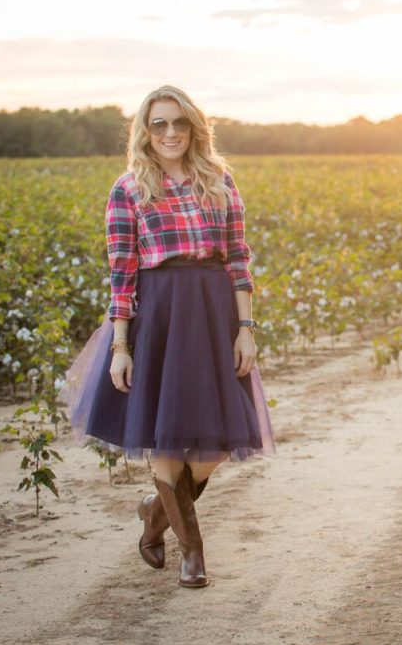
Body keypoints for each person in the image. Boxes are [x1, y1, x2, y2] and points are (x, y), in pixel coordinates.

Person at [58, 85, 274, 589]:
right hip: (159, 311)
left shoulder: (218, 180)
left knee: (215, 445)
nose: (171, 132)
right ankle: (191, 551)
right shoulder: (128, 188)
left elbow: (239, 257)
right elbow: (121, 272)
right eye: (160, 124)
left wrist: (246, 328)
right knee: (163, 432)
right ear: (145, 131)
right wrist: (120, 345)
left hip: (213, 309)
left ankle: (155, 515)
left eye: (179, 122)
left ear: (194, 126)